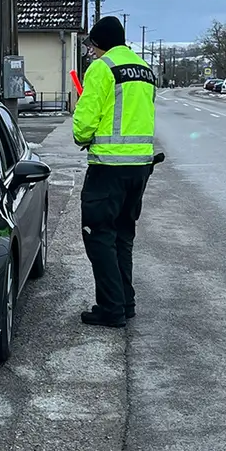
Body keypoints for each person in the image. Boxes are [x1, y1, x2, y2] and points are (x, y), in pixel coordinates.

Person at [72, 16, 157, 328]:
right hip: (140, 168)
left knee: (99, 236)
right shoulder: (144, 69)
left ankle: (111, 308)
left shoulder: (102, 68)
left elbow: (84, 122)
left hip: (108, 169)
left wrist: (82, 136)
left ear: (100, 43)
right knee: (122, 235)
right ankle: (125, 301)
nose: (92, 52)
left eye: (93, 46)